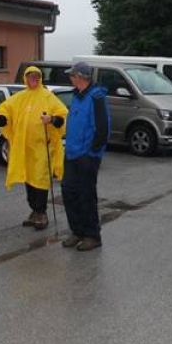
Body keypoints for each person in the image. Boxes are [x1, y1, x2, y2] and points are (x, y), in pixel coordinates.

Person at [0, 66, 68, 231]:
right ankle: (34, 211)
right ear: (26, 78)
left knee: (40, 179)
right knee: (29, 180)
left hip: (41, 148)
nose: (34, 79)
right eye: (31, 77)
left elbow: (62, 116)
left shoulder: (48, 97)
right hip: (24, 148)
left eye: (37, 77)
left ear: (40, 79)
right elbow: (5, 115)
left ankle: (41, 212)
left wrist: (51, 119)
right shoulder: (19, 98)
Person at [58, 62, 109, 251]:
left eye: (72, 75)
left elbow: (102, 129)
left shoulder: (96, 98)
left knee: (86, 195)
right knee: (68, 192)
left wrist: (92, 153)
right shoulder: (77, 96)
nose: (70, 78)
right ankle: (77, 231)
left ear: (80, 77)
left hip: (87, 156)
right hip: (71, 153)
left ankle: (92, 235)